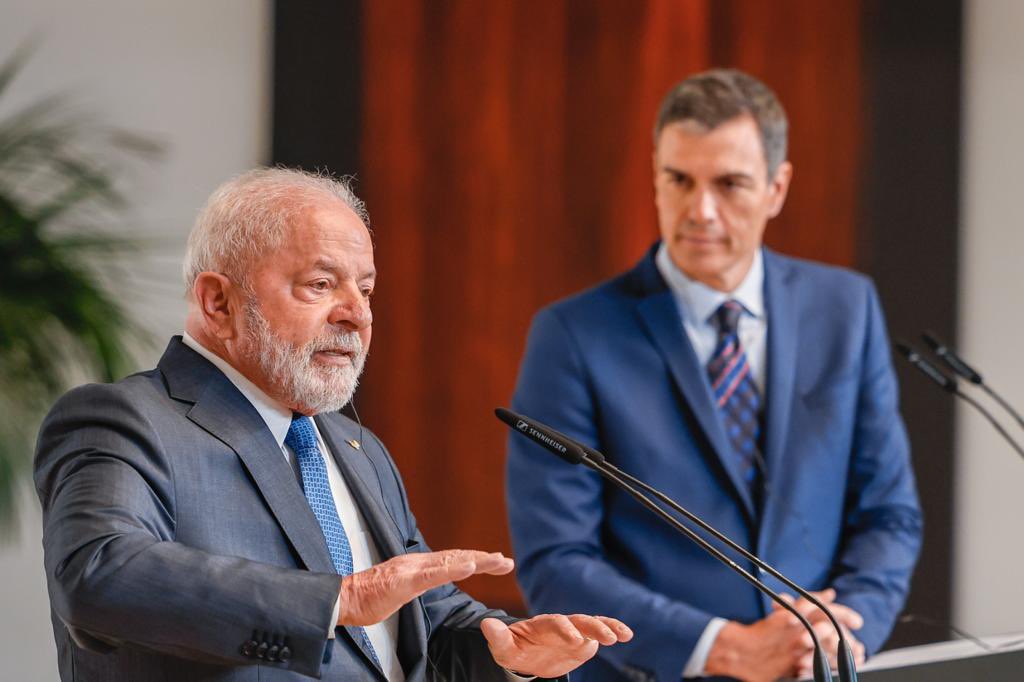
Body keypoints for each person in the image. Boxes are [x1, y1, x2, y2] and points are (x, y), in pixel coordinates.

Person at [34, 168, 633, 681]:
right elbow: (97, 574)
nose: (358, 314)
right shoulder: (127, 420)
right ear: (218, 302)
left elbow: (426, 620)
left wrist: (512, 652)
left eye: (366, 289)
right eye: (321, 285)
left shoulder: (354, 447)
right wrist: (338, 599)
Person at [506, 69, 922, 682]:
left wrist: (841, 630)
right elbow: (556, 562)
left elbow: (888, 514)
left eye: (730, 184)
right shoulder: (571, 336)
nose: (700, 210)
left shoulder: (846, 309)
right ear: (655, 175)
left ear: (777, 188)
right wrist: (723, 646)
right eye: (679, 180)